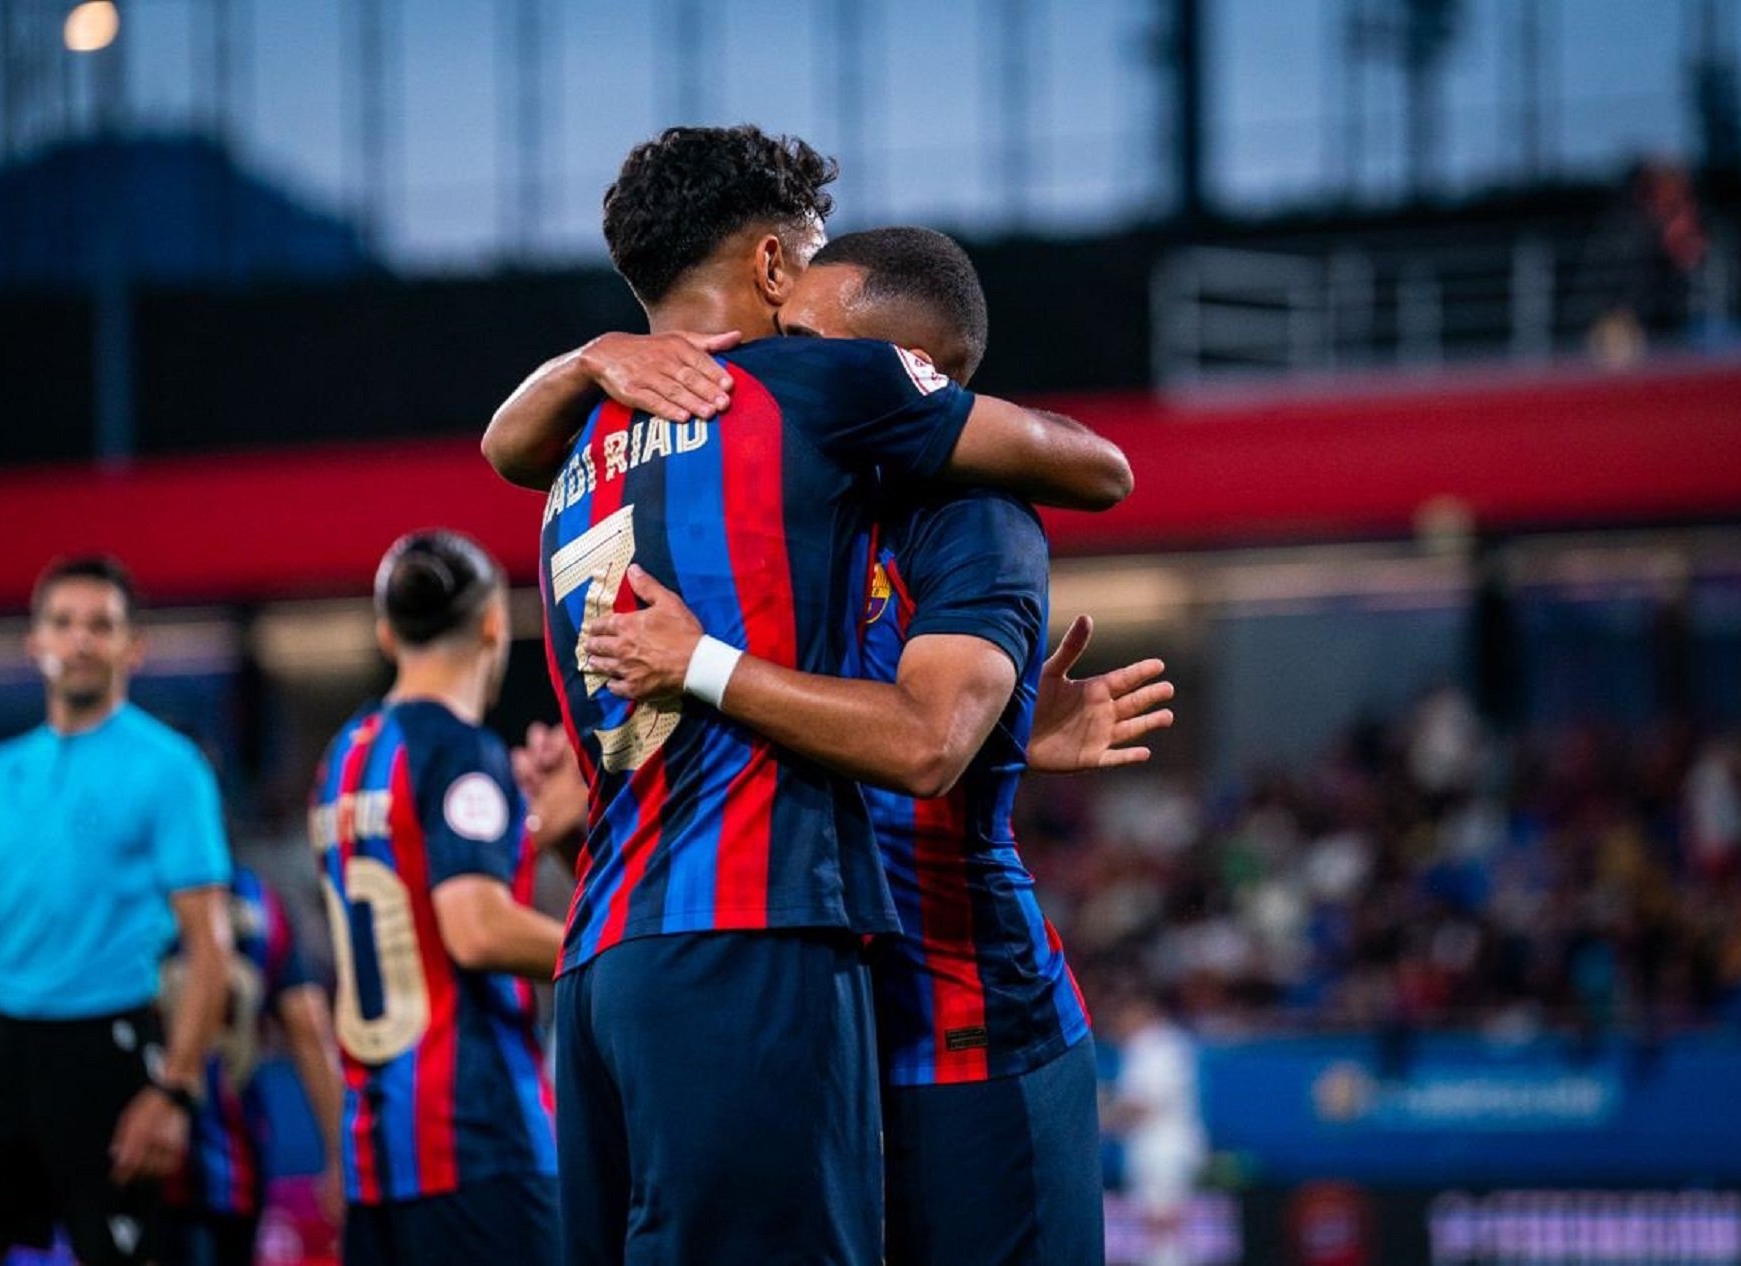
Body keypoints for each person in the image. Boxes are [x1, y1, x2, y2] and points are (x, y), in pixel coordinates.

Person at [482, 125, 1134, 1266]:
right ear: (773, 261)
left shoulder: (959, 514)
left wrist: (1005, 735)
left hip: (953, 1030)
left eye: (806, 327)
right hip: (766, 968)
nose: (779, 337)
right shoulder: (777, 438)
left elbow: (933, 740)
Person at [0, 555, 234, 1266]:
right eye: (63, 624)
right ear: (34, 643)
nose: (79, 640)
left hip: (109, 1054)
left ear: (133, 648)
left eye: (100, 625)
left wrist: (174, 1092)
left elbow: (210, 944)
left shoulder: (171, 768)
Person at [310, 530, 564, 1266]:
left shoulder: (347, 754)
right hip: (474, 1141)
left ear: (388, 633)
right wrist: (607, 946)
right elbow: (476, 930)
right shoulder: (460, 749)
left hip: (375, 1154)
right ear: (493, 623)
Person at [158, 866, 344, 1266]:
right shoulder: (259, 900)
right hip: (240, 1160)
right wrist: (339, 1155)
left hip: (144, 1159)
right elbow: (308, 1026)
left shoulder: (122, 895)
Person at [1108, 995, 1208, 1266]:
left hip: (1163, 1147)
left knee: (1162, 1220)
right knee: (1156, 1222)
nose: (1118, 1024)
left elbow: (1143, 1104)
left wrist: (1101, 1115)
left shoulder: (1153, 1044)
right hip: (1162, 1145)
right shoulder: (1164, 1043)